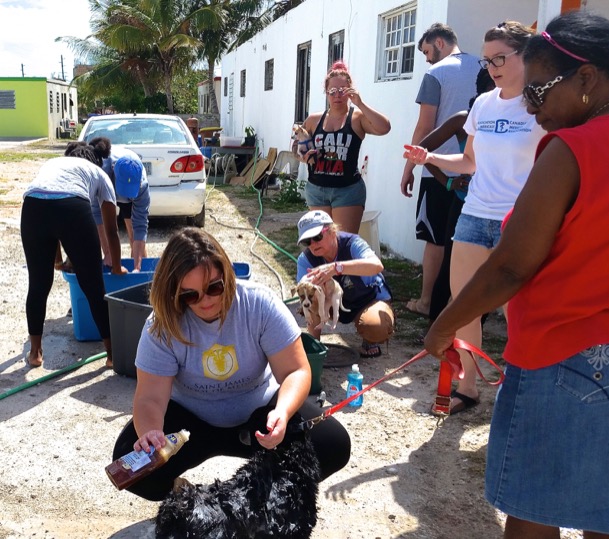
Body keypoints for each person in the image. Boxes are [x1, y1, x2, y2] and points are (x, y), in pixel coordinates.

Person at [424, 10, 609, 538]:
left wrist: (445, 326)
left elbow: (513, 264)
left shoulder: (572, 149)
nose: (531, 104)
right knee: (608, 512)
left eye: (539, 90)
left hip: (560, 354)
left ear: (587, 78)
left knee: (532, 510)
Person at [112, 228, 351, 501]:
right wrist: (151, 433)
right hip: (190, 425)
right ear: (174, 291)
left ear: (227, 274)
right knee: (128, 464)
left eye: (215, 287)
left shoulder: (259, 304)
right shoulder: (161, 324)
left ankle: (263, 493)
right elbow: (150, 397)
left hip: (259, 415)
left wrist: (282, 413)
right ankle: (186, 496)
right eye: (190, 295)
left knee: (333, 444)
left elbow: (296, 370)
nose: (206, 301)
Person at [404, 21, 545, 415]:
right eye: (488, 60)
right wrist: (429, 158)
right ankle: (468, 382)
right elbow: (468, 162)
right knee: (463, 303)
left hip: (517, 222)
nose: (493, 66)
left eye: (501, 57)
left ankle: (521, 385)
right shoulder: (483, 104)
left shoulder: (541, 107)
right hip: (474, 214)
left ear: (526, 56)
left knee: (518, 309)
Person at [20, 140, 126, 368]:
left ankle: (35, 353)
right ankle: (112, 355)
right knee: (93, 286)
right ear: (96, 160)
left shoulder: (54, 164)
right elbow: (111, 230)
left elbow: (50, 209)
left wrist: (57, 261)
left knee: (38, 285)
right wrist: (116, 267)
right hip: (71, 208)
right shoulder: (99, 173)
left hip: (32, 206)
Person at [401, 23, 480, 319]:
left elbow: (425, 126)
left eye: (426, 51)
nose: (426, 58)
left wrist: (409, 167)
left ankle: (426, 302)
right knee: (464, 242)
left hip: (437, 169)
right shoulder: (485, 68)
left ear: (439, 43)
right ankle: (458, 306)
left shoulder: (436, 73)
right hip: (475, 174)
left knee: (435, 239)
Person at [421, 69, 495, 322]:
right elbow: (422, 150)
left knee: (488, 275)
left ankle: (475, 335)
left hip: (500, 209)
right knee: (450, 269)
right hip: (465, 204)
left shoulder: (519, 118)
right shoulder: (464, 119)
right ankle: (434, 329)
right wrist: (448, 181)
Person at [296, 61, 391, 234]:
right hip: (316, 189)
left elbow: (384, 128)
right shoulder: (314, 120)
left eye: (342, 90)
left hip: (347, 190)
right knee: (321, 243)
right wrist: (303, 156)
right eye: (332, 91)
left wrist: (360, 103)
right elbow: (298, 147)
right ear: (326, 92)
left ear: (350, 91)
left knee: (343, 243)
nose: (337, 95)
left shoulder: (357, 118)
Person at [296, 210, 394, 358]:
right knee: (310, 296)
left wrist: (336, 268)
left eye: (317, 237)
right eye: (307, 241)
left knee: (375, 326)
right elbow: (306, 300)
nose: (313, 244)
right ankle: (314, 346)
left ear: (331, 230)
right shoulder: (306, 260)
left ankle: (370, 339)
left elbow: (376, 265)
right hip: (334, 302)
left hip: (369, 299)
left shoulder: (352, 243)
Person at [93, 139, 150, 272]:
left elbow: (141, 225)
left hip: (130, 192)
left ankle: (140, 271)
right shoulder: (102, 173)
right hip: (109, 188)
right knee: (110, 228)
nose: (126, 196)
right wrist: (108, 253)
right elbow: (98, 216)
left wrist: (137, 268)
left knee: (133, 233)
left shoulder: (142, 185)